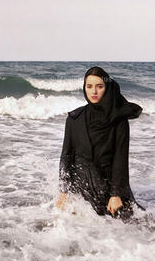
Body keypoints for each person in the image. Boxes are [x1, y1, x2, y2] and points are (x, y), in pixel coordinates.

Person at [56, 66, 145, 220]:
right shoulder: (74, 119)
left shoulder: (119, 120)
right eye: (89, 86)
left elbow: (120, 158)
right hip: (82, 192)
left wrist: (116, 194)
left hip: (110, 191)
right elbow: (66, 156)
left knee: (142, 224)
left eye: (99, 86)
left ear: (107, 87)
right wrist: (64, 191)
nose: (94, 91)